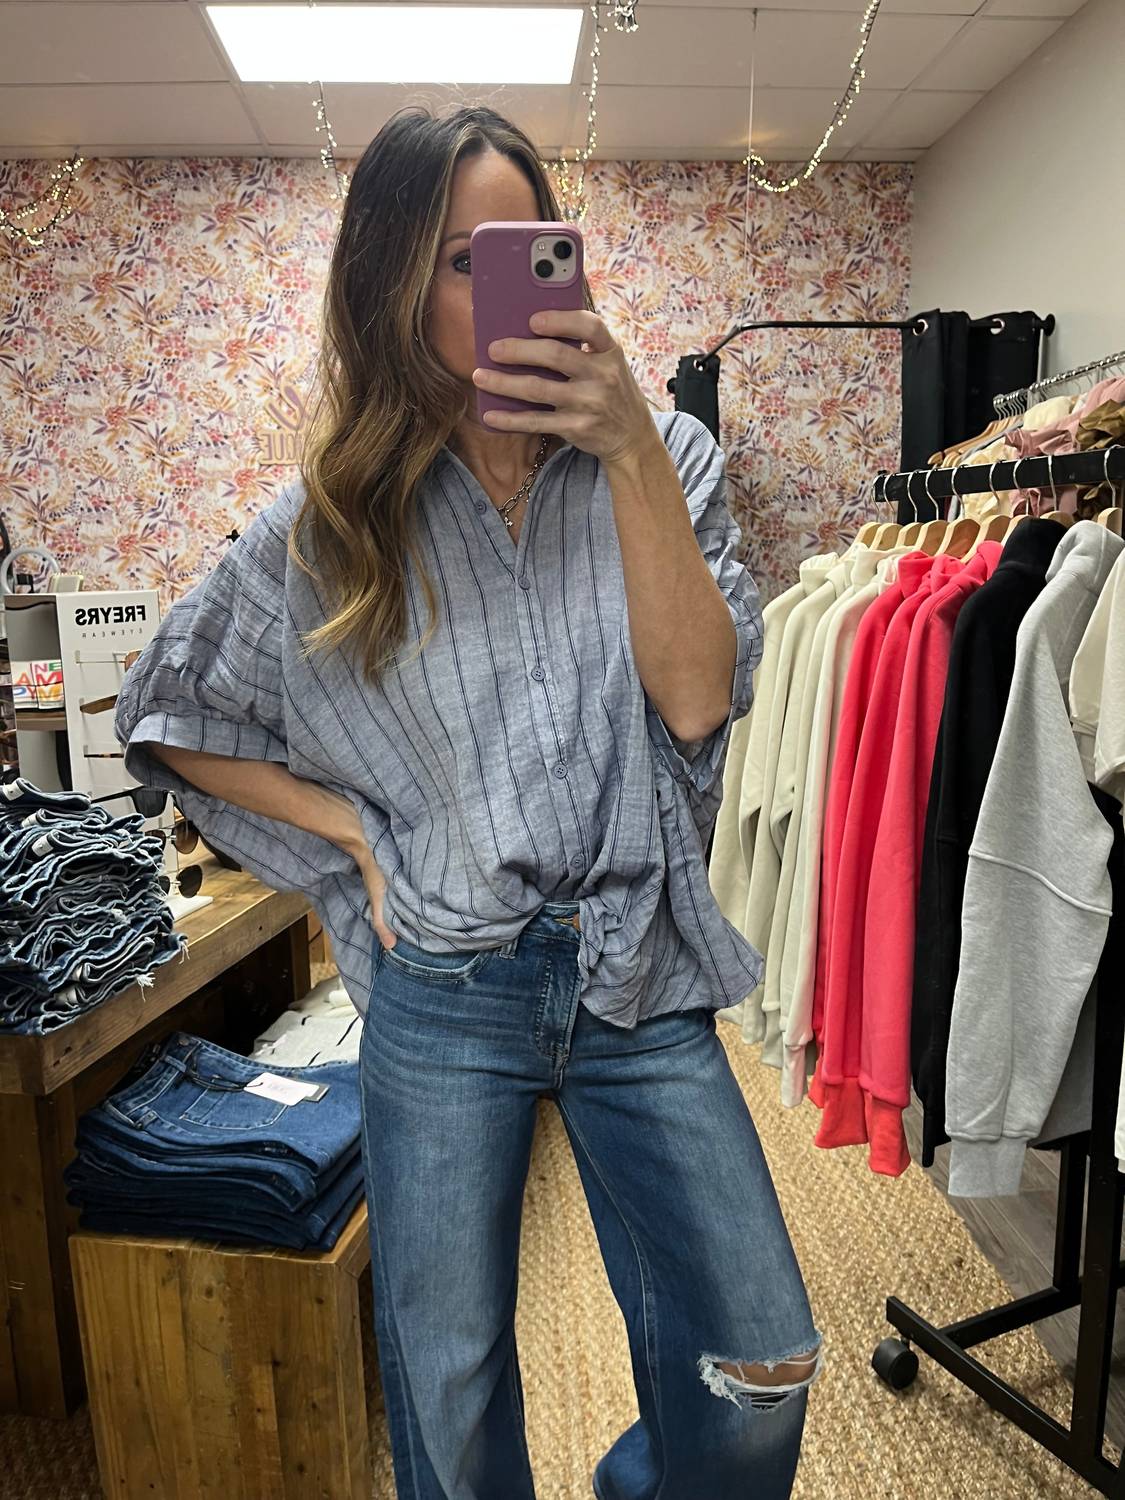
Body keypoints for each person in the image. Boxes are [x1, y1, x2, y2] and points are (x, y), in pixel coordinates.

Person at [114, 103, 822, 1500]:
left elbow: (697, 701)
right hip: (445, 988)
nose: (504, 286)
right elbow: (169, 717)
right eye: (459, 260)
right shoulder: (334, 518)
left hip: (637, 967)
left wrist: (629, 450)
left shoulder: (668, 458)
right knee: (445, 1373)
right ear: (391, 282)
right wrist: (352, 833)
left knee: (758, 1354)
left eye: (530, 247)